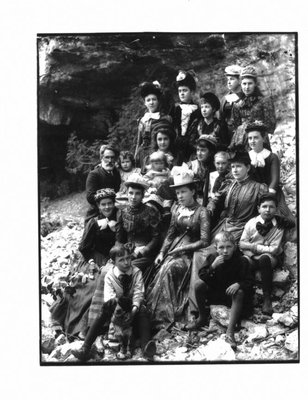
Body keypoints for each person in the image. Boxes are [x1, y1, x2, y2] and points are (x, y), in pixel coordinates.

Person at [146, 168, 211, 332]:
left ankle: (163, 318)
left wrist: (183, 248)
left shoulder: (202, 212)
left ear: (193, 191)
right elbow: (170, 234)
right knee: (160, 269)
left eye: (183, 192)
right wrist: (161, 253)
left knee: (170, 269)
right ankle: (149, 315)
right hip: (174, 249)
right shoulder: (176, 209)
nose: (180, 196)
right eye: (178, 193)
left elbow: (205, 241)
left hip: (191, 254)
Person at [50, 188, 118, 338]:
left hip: (111, 259)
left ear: (114, 204)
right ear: (98, 206)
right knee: (91, 285)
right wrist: (92, 262)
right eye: (103, 204)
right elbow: (83, 247)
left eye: (109, 203)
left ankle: (97, 325)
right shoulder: (93, 223)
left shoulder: (118, 219)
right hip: (92, 258)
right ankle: (80, 326)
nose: (107, 207)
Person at [72, 244, 157, 362]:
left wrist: (133, 310)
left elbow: (138, 292)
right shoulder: (110, 276)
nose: (126, 262)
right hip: (117, 310)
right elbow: (109, 299)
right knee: (103, 310)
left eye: (128, 258)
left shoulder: (136, 272)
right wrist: (121, 315)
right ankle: (85, 348)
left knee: (143, 311)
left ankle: (146, 349)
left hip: (133, 307)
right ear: (113, 262)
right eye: (121, 260)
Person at [187, 231, 254, 350]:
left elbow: (249, 281)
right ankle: (202, 318)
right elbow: (202, 276)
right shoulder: (213, 258)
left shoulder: (242, 260)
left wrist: (238, 284)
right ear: (216, 248)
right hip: (217, 294)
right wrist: (212, 266)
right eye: (221, 247)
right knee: (198, 285)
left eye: (229, 247)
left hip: (233, 298)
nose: (225, 251)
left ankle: (230, 332)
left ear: (234, 246)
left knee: (239, 292)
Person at [207, 148, 268, 243]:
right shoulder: (228, 184)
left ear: (247, 168)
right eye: (232, 167)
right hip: (224, 225)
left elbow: (265, 209)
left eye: (238, 166)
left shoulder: (258, 188)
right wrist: (211, 206)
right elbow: (216, 199)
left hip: (244, 229)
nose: (234, 170)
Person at [239, 193, 286, 316]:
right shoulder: (251, 223)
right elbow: (242, 244)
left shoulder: (279, 226)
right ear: (258, 208)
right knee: (243, 262)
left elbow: (274, 249)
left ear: (276, 209)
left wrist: (254, 247)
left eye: (271, 207)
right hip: (251, 256)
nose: (268, 210)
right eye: (264, 206)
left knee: (264, 258)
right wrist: (253, 253)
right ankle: (246, 302)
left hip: (269, 258)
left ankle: (267, 299)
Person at [246, 120, 296, 226]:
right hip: (251, 191)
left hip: (270, 191)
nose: (252, 141)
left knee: (281, 218)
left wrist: (269, 196)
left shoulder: (271, 157)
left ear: (263, 139)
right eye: (250, 138)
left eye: (256, 137)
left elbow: (274, 179)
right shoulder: (246, 156)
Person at [115, 173, 161, 274]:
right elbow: (119, 239)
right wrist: (119, 253)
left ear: (143, 195)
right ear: (127, 193)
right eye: (131, 193)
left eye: (137, 193)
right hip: (127, 252)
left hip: (145, 254)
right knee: (109, 269)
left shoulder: (151, 212)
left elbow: (156, 237)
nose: (133, 197)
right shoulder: (122, 212)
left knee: (126, 270)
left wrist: (144, 250)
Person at [230, 65, 276, 150]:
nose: (246, 87)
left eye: (250, 83)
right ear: (241, 84)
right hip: (242, 143)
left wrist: (255, 126)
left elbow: (271, 126)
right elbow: (235, 126)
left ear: (255, 84)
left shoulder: (265, 101)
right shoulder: (237, 104)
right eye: (244, 84)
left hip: (260, 143)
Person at [135, 81, 172, 169]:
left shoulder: (165, 118)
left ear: (158, 101)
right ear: (145, 103)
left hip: (159, 153)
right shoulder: (142, 120)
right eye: (148, 100)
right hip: (143, 154)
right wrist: (136, 155)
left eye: (154, 99)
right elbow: (138, 141)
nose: (151, 102)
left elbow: (168, 139)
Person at [170, 70, 201, 164]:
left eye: (185, 90)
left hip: (192, 147)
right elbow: (172, 127)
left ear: (191, 92)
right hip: (176, 145)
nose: (182, 93)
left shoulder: (197, 110)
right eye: (180, 91)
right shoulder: (175, 109)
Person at [85, 144, 121, 222]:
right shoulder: (94, 174)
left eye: (112, 157)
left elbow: (117, 190)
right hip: (97, 212)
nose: (110, 160)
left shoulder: (116, 173)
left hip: (114, 210)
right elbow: (90, 197)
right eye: (107, 157)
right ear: (101, 158)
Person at [187, 135, 217, 206]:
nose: (199, 153)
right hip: (192, 200)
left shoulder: (215, 167)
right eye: (198, 150)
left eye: (203, 150)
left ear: (210, 152)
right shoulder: (191, 166)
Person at [220, 65, 243, 142]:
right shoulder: (224, 99)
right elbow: (221, 119)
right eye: (228, 79)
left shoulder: (245, 96)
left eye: (232, 79)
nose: (229, 82)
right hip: (229, 134)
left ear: (239, 80)